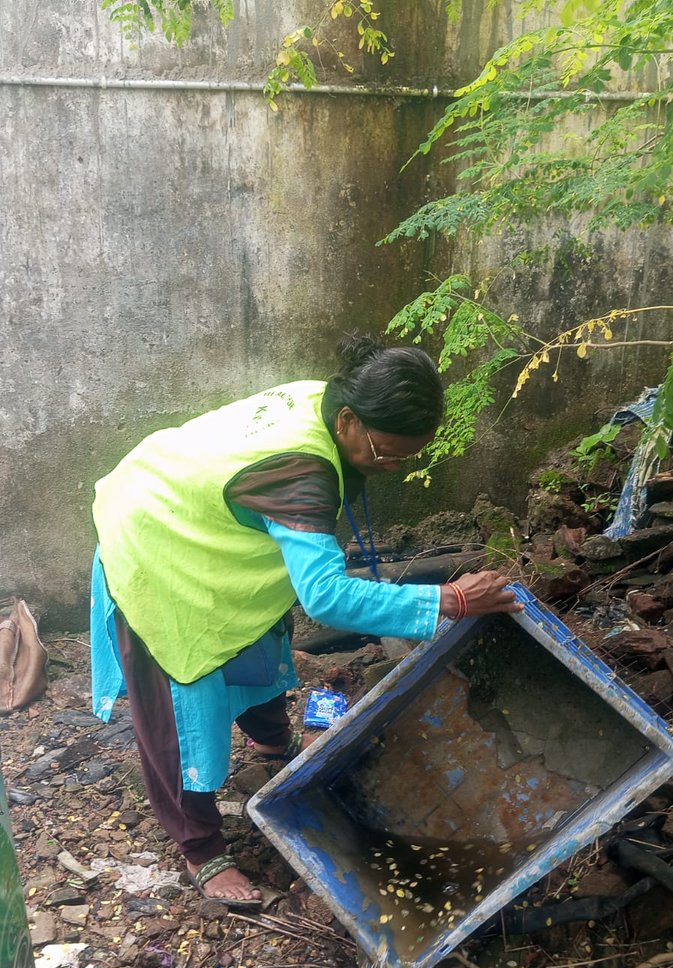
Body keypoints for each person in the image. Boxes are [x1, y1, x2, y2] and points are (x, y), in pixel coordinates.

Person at [90, 334, 522, 908]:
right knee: (179, 701)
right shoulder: (302, 472)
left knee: (257, 639)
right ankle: (199, 847)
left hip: (196, 518)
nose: (393, 467)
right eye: (387, 452)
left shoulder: (328, 399)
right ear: (347, 421)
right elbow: (325, 600)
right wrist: (448, 600)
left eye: (406, 456)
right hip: (154, 541)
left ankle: (272, 746)